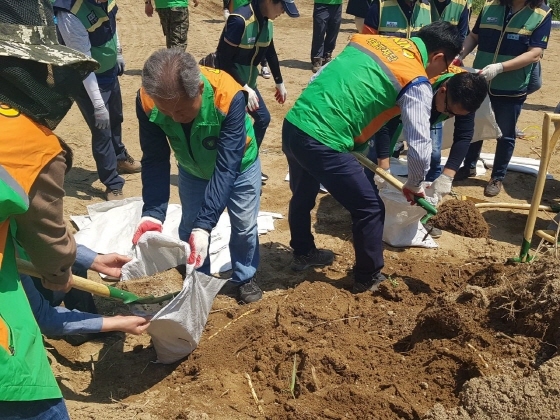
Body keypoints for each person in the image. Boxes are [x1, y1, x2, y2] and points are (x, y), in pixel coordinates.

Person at [282, 22, 462, 293]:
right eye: (445, 66)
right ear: (438, 57)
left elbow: (318, 76)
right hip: (323, 141)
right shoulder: (416, 79)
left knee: (303, 195)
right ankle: (367, 276)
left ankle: (303, 252)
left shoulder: (371, 41)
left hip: (295, 123)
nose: (444, 73)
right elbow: (419, 144)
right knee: (369, 208)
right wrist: (414, 185)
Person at [0, 0, 99, 417]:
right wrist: (60, 274)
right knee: (36, 401)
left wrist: (88, 256)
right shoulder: (33, 143)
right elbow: (42, 235)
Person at [133, 49, 263, 304]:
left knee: (244, 226)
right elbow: (155, 158)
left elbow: (227, 166)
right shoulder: (148, 100)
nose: (174, 118)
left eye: (181, 110)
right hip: (192, 169)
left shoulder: (227, 95)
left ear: (200, 90)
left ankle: (245, 276)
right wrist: (153, 212)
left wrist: (206, 225)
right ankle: (198, 278)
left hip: (239, 167)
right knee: (189, 227)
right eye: (167, 111)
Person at [453, 0, 552, 197]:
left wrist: (501, 67)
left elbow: (534, 53)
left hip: (511, 85)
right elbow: (474, 36)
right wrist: (460, 52)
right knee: (474, 126)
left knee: (505, 134)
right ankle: (469, 165)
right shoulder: (490, 7)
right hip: (481, 79)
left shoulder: (541, 14)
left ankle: (497, 176)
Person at [54, 0, 141, 201]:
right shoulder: (70, 14)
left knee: (116, 117)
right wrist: (98, 103)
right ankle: (112, 182)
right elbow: (82, 62)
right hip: (88, 79)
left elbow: (111, 25)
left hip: (108, 71)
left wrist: (117, 52)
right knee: (102, 131)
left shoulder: (104, 1)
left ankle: (119, 158)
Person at [216, 0, 300, 182]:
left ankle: (247, 164)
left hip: (248, 85)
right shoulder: (239, 20)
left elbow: (270, 51)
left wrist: (279, 82)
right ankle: (229, 169)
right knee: (234, 127)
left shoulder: (267, 21)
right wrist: (243, 88)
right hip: (229, 86)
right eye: (282, 7)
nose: (283, 13)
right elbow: (223, 60)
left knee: (263, 119)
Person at [310, 0, 342, 73]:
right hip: (321, 4)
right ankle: (317, 59)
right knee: (319, 31)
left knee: (334, 30)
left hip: (337, 4)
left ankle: (327, 55)